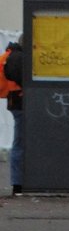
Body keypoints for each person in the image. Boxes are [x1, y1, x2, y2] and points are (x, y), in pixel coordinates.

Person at [3, 35, 24, 196]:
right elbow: (23, 80)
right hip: (21, 103)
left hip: (14, 102)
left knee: (20, 142)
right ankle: (18, 183)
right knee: (20, 143)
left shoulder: (11, 55)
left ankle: (19, 183)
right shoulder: (18, 58)